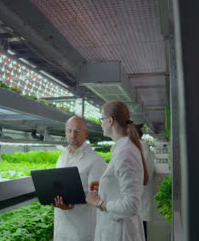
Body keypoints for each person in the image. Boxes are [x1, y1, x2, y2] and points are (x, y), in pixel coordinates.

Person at [86, 101, 149, 241]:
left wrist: (99, 202)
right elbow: (123, 186)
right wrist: (106, 186)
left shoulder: (125, 153)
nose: (101, 123)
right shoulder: (123, 149)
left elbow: (131, 205)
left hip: (121, 233)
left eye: (101, 119)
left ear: (110, 121)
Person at [52, 116, 107, 241]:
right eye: (69, 131)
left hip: (82, 226)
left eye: (77, 131)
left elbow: (96, 195)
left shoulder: (96, 160)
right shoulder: (61, 157)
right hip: (61, 226)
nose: (73, 135)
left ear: (86, 133)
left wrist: (71, 204)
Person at [135, 123, 156, 240]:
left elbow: (140, 174)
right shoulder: (143, 146)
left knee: (139, 232)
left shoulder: (141, 147)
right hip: (139, 198)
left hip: (139, 198)